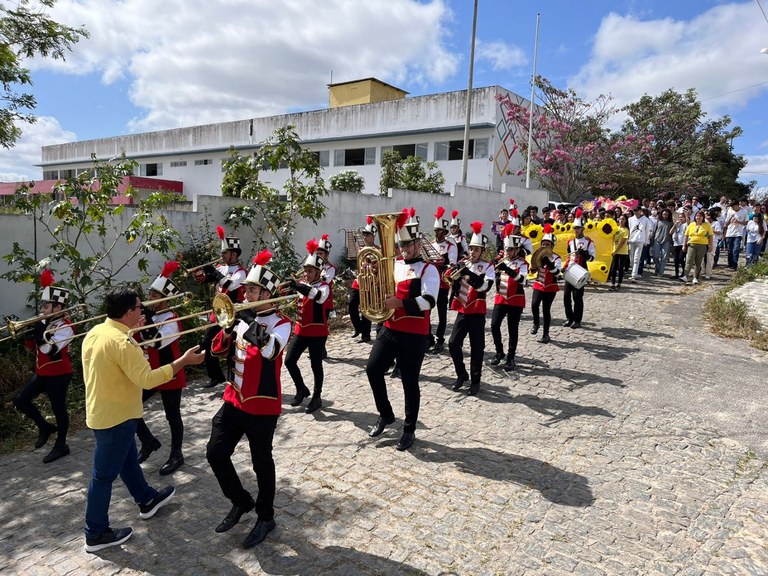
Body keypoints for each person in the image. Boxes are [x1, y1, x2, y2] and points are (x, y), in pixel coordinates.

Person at [82, 287, 205, 553]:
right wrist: (182, 361)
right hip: (116, 417)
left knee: (127, 462)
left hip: (107, 412)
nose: (144, 311)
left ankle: (147, 499)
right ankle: (95, 532)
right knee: (102, 477)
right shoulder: (122, 343)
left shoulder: (96, 332)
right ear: (128, 312)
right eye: (139, 307)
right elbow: (147, 379)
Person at [206, 250, 292, 548]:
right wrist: (227, 329)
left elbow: (270, 351)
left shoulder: (282, 323)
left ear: (267, 293)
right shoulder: (241, 318)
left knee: (261, 463)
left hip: (261, 405)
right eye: (247, 289)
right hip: (233, 398)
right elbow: (218, 352)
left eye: (253, 290)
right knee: (215, 453)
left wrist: (245, 319)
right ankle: (241, 501)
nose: (247, 293)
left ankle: (266, 517)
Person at [365, 208, 439, 451]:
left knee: (409, 382)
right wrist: (372, 275)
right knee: (373, 369)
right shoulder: (394, 264)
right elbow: (381, 288)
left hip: (415, 334)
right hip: (389, 328)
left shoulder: (429, 270)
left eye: (408, 244)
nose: (404, 249)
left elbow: (429, 301)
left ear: (418, 243)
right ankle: (385, 414)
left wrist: (401, 304)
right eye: (401, 245)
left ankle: (409, 429)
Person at [13, 270, 75, 464]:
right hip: (43, 372)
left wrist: (39, 333)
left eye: (46, 306)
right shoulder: (44, 322)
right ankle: (44, 426)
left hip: (59, 373)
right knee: (20, 400)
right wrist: (27, 335)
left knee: (59, 409)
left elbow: (49, 348)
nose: (42, 309)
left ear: (58, 307)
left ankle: (61, 445)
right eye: (42, 305)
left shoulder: (66, 326)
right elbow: (35, 348)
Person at [133, 261, 188, 475]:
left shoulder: (173, 318)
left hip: (170, 372)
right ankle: (148, 440)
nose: (150, 299)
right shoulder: (150, 317)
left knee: (172, 415)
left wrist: (146, 323)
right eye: (151, 294)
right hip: (149, 372)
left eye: (155, 296)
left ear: (166, 299)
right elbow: (136, 341)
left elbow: (157, 342)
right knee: (131, 405)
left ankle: (177, 453)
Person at [194, 226, 247, 388]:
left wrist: (216, 273)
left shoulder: (241, 272)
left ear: (234, 254)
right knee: (207, 343)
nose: (222, 255)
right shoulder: (221, 267)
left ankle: (234, 381)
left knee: (231, 349)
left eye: (225, 253)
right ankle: (216, 376)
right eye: (222, 253)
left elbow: (230, 286)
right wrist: (199, 274)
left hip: (233, 315)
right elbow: (206, 279)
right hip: (218, 313)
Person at [283, 240, 331, 413]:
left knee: (316, 365)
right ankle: (301, 388)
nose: (306, 274)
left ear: (318, 271)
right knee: (289, 361)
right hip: (301, 330)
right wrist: (287, 288)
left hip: (317, 332)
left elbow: (317, 296)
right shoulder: (302, 285)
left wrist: (299, 286)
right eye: (305, 271)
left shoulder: (324, 287)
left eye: (310, 271)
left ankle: (317, 397)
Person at [448, 221, 495, 396]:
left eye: (476, 249)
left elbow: (485, 287)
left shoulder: (488, 267)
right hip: (462, 310)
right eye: (471, 249)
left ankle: (475, 382)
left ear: (482, 251)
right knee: (453, 344)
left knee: (477, 348)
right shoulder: (463, 262)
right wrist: (453, 271)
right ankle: (462, 374)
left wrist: (471, 274)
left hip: (477, 311)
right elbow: (450, 279)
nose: (472, 252)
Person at [489, 224, 528, 370]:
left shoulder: (522, 263)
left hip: (515, 300)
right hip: (501, 297)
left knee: (512, 329)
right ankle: (499, 352)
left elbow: (523, 280)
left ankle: (511, 357)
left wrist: (508, 270)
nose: (508, 252)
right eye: (507, 249)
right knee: (494, 325)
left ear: (517, 250)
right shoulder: (502, 260)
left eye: (511, 249)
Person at [430, 207, 458, 354]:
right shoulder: (431, 244)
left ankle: (440, 340)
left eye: (439, 230)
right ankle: (428, 337)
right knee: (426, 311)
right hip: (429, 282)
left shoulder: (450, 246)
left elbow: (452, 265)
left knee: (441, 314)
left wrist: (443, 264)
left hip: (442, 283)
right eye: (435, 230)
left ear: (445, 232)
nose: (436, 233)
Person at [562, 211, 595, 329]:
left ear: (582, 228)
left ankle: (577, 320)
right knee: (566, 296)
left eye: (578, 228)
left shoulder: (589, 242)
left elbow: (592, 258)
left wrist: (585, 254)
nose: (576, 230)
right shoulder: (570, 241)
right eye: (575, 228)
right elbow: (568, 255)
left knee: (577, 297)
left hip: (581, 271)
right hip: (571, 270)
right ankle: (569, 318)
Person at [530, 225, 562, 344]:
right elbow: (532, 270)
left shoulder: (556, 258)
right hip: (539, 284)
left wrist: (549, 264)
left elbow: (558, 272)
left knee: (546, 310)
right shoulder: (538, 255)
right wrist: (534, 267)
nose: (544, 246)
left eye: (547, 244)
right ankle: (536, 323)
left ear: (552, 246)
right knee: (534, 305)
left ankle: (546, 334)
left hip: (550, 287)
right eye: (543, 244)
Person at [348, 217, 376, 342]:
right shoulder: (360, 249)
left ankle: (366, 334)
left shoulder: (377, 249)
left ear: (373, 237)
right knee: (352, 305)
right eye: (364, 235)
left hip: (370, 281)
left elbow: (378, 267)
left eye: (367, 235)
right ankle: (358, 327)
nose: (365, 238)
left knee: (366, 308)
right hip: (359, 281)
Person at [682, 210, 713, 284]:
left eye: (700, 216)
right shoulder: (691, 224)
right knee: (689, 260)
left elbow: (711, 236)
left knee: (698, 261)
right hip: (692, 244)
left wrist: (710, 245)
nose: (698, 217)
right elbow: (686, 235)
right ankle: (685, 276)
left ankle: (695, 277)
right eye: (697, 216)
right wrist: (684, 245)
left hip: (702, 245)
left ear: (703, 217)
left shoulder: (707, 225)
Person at [628, 206, 651, 282]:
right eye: (634, 210)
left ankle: (633, 275)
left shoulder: (646, 220)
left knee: (636, 258)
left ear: (640, 211)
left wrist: (646, 241)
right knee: (631, 259)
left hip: (640, 240)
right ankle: (634, 272)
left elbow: (647, 230)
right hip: (631, 240)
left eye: (637, 210)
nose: (635, 212)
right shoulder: (630, 219)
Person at [724, 199, 748, 270]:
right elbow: (726, 223)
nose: (732, 208)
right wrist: (731, 217)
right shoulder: (730, 211)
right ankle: (730, 264)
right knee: (729, 250)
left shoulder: (744, 211)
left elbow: (746, 222)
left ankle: (734, 265)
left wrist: (738, 222)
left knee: (736, 249)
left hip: (738, 233)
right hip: (729, 233)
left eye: (733, 206)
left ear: (737, 205)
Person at [608, 214, 629, 290]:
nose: (621, 221)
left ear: (625, 221)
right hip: (614, 251)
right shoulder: (616, 229)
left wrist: (616, 251)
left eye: (623, 219)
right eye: (620, 219)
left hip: (622, 252)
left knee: (620, 268)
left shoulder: (626, 230)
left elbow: (623, 242)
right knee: (614, 268)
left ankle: (619, 283)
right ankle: (613, 283)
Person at [652, 208, 673, 276]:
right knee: (655, 256)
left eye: (667, 214)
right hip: (657, 239)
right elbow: (654, 231)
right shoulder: (658, 221)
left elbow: (672, 232)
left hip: (666, 240)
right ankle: (658, 267)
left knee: (664, 257)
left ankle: (660, 272)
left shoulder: (670, 222)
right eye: (664, 214)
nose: (665, 216)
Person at [670, 212, 688, 279]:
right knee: (676, 259)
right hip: (676, 243)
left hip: (683, 243)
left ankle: (684, 272)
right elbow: (670, 232)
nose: (680, 219)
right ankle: (676, 273)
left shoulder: (686, 225)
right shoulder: (677, 224)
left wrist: (685, 244)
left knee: (681, 258)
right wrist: (674, 225)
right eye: (679, 217)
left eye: (682, 217)